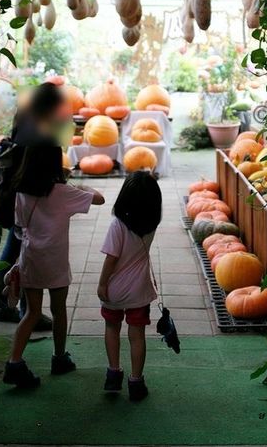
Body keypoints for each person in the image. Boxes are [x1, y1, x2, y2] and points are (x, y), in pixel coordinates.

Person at [2, 142, 105, 389]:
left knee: (32, 312)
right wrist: (79, 185)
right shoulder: (63, 192)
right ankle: (59, 358)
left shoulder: (21, 192)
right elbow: (99, 199)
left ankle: (14, 362)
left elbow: (18, 226)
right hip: (56, 261)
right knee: (59, 311)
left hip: (31, 258)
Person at [0, 82, 73, 326]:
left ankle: (7, 302)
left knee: (15, 248)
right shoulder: (40, 130)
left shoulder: (25, 117)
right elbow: (40, 167)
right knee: (23, 252)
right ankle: (27, 311)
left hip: (14, 195)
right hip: (28, 198)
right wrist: (59, 180)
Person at [97, 171, 162, 401]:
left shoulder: (117, 226)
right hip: (139, 290)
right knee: (137, 336)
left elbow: (111, 258)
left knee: (112, 328)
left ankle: (113, 373)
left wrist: (102, 283)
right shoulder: (151, 225)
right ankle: (136, 381)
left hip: (115, 289)